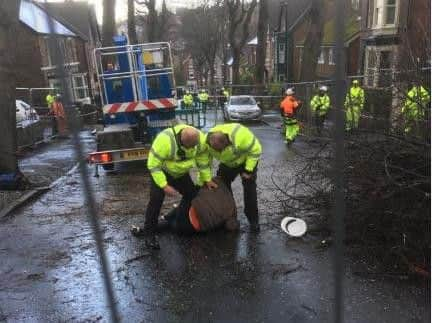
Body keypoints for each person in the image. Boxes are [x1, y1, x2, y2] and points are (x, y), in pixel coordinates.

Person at [131, 124, 217, 249]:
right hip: (162, 172)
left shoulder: (199, 139)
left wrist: (207, 179)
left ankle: (172, 218)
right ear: (182, 140)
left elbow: (202, 160)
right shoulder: (164, 141)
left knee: (192, 195)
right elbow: (153, 165)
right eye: (190, 146)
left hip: (180, 174)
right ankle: (149, 234)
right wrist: (164, 185)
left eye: (195, 145)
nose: (193, 148)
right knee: (156, 200)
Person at [206, 123, 262, 232]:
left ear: (227, 143)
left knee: (249, 188)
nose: (218, 152)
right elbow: (204, 162)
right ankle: (229, 216)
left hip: (246, 161)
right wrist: (206, 179)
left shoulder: (242, 137)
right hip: (227, 163)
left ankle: (253, 219)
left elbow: (256, 150)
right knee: (221, 186)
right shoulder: (206, 142)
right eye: (216, 150)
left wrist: (248, 170)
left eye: (220, 150)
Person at [158, 177, 239, 234]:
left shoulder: (211, 185)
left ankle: (165, 220)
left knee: (176, 219)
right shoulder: (231, 208)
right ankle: (166, 220)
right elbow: (231, 226)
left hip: (188, 224)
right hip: (195, 225)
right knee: (181, 210)